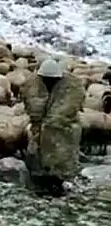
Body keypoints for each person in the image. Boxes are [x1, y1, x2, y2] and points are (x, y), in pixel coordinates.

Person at [22, 58, 84, 197]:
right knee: (38, 151)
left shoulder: (73, 86)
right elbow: (32, 104)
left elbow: (68, 107)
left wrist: (53, 122)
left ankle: (62, 179)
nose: (48, 82)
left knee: (62, 154)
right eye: (45, 79)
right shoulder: (33, 84)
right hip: (43, 127)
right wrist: (38, 122)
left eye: (52, 79)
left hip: (64, 127)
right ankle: (41, 178)